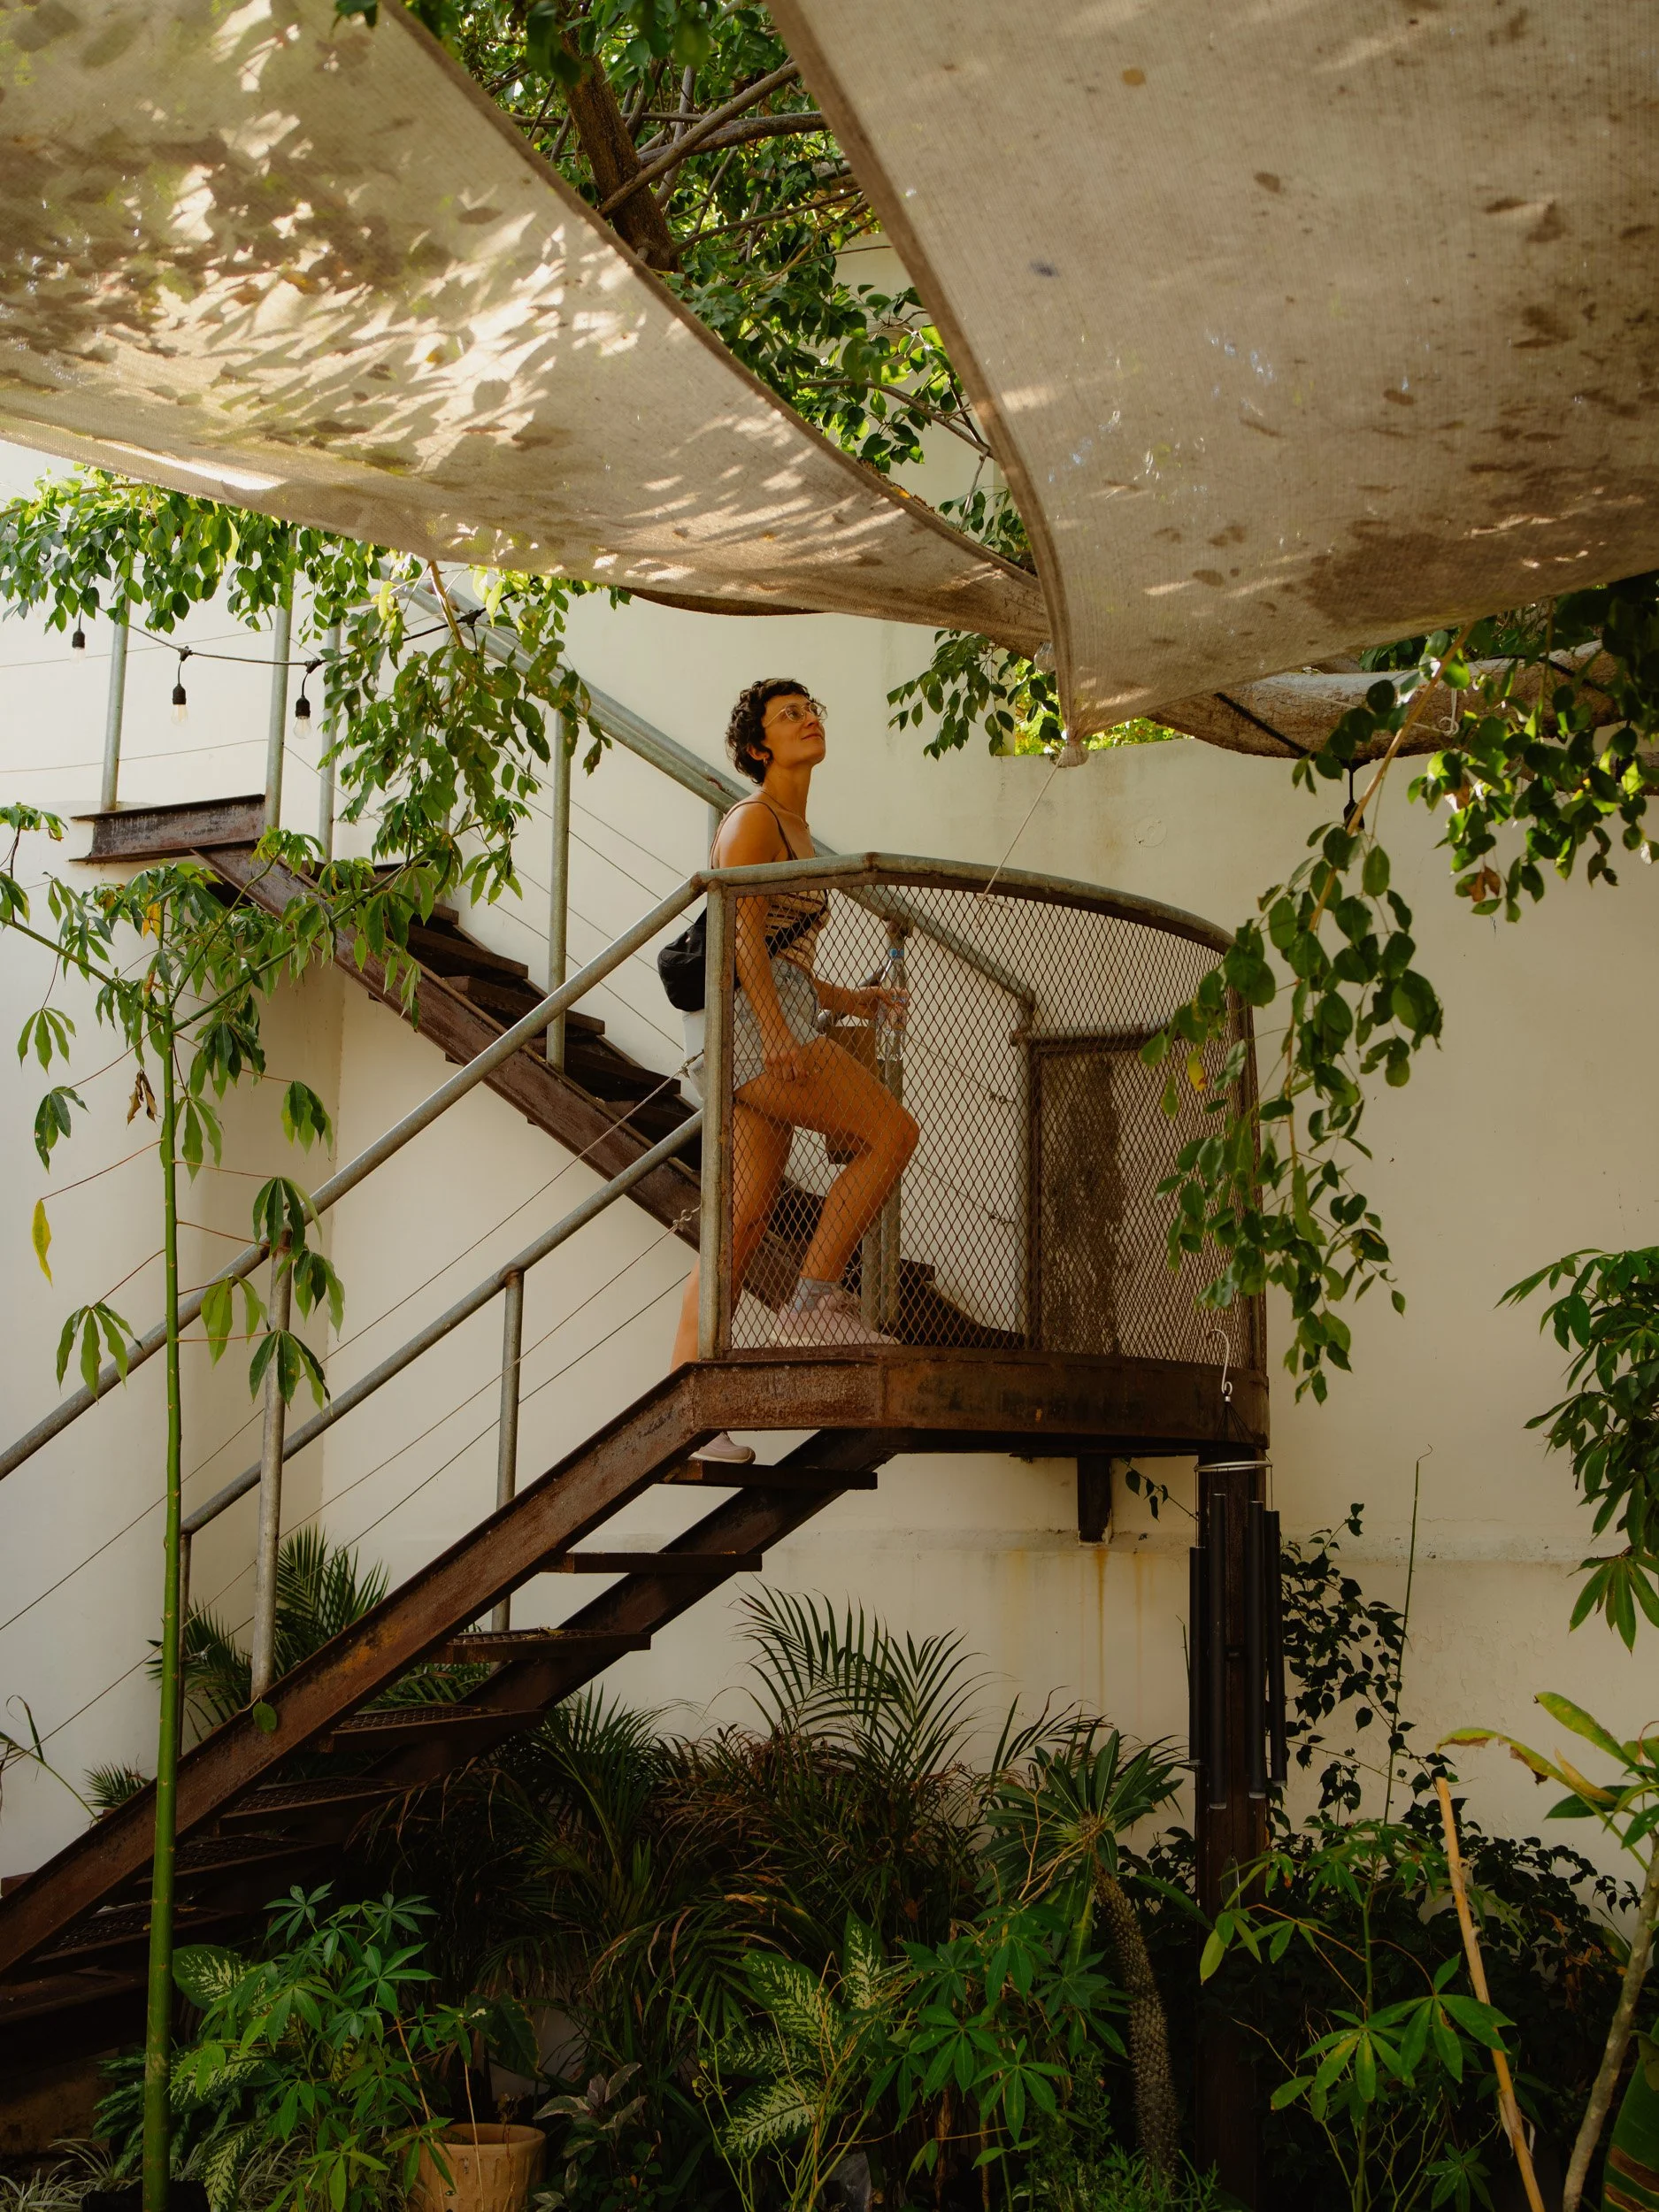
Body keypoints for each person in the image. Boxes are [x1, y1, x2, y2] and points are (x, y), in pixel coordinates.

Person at [671, 680, 918, 1458]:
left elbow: (788, 959)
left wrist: (853, 999)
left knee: (742, 1221)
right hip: (751, 1027)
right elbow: (742, 936)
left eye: (811, 709)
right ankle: (812, 1304)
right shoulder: (753, 821)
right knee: (890, 1134)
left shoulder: (799, 831)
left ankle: (687, 1421)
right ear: (758, 747)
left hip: (764, 1017)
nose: (808, 719)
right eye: (788, 715)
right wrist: (779, 1036)